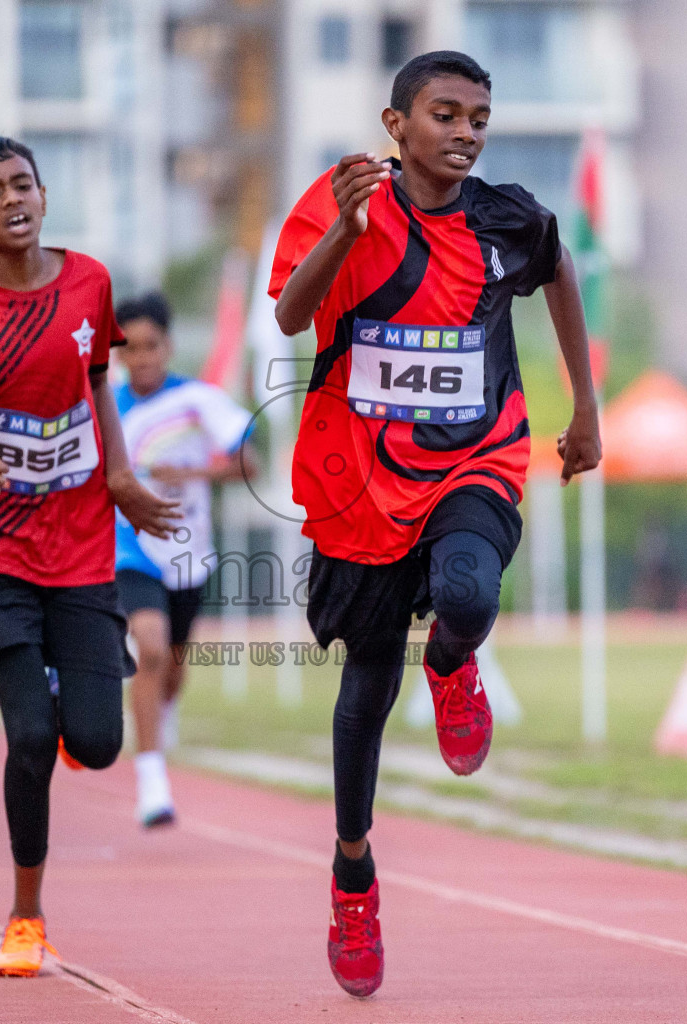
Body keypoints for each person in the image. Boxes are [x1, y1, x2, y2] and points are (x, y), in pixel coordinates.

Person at [270, 51, 602, 997]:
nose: (465, 133)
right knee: (366, 689)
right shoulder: (343, 204)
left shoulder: (507, 218)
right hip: (362, 478)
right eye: (445, 115)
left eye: (479, 118)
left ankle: (454, 666)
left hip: (475, 455)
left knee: (465, 592)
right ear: (396, 124)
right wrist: (343, 227)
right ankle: (352, 873)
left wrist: (586, 410)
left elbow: (562, 267)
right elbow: (295, 313)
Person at [0, 135, 177, 979]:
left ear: (44, 195)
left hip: (81, 546)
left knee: (93, 743)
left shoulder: (89, 282)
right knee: (28, 739)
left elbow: (94, 384)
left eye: (23, 184)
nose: (11, 199)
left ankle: (60, 701)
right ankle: (25, 920)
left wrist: (119, 475)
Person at [112, 292, 254, 828]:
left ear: (168, 346)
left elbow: (249, 463)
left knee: (171, 667)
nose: (143, 357)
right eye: (131, 349)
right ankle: (152, 781)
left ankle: (162, 712)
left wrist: (189, 475)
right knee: (148, 651)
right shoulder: (109, 411)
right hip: (132, 549)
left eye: (152, 346)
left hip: (189, 553)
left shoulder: (198, 399)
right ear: (119, 355)